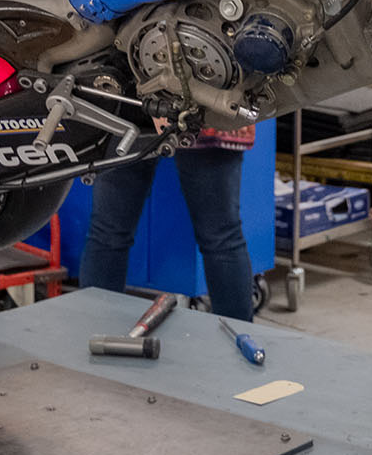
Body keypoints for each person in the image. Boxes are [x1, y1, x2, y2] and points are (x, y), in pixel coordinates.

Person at [79, 126, 257, 321]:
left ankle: (94, 329)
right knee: (222, 238)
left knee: (108, 234)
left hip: (130, 111)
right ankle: (239, 339)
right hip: (204, 111)